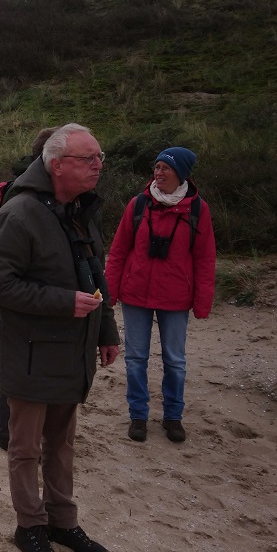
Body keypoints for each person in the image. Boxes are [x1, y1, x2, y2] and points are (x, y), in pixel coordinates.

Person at [0, 123, 119, 552]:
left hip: (72, 349)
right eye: (88, 159)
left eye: (100, 158)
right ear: (57, 165)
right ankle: (30, 526)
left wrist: (106, 331)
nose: (98, 166)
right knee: (26, 448)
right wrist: (62, 303)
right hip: (30, 351)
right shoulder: (18, 214)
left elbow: (95, 278)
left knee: (62, 443)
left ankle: (63, 521)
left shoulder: (80, 211)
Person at [105, 146, 216, 443]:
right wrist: (110, 292)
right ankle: (138, 416)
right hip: (136, 294)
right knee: (136, 358)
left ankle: (173, 417)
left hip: (176, 297)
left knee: (175, 360)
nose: (159, 172)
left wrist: (202, 301)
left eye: (166, 168)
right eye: (156, 167)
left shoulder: (197, 210)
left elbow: (205, 259)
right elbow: (118, 251)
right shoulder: (139, 204)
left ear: (181, 173)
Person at [0, 126, 58, 451]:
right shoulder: (24, 196)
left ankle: (15, 434)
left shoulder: (31, 190)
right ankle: (10, 435)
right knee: (19, 365)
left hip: (37, 297)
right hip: (24, 297)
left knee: (19, 365)